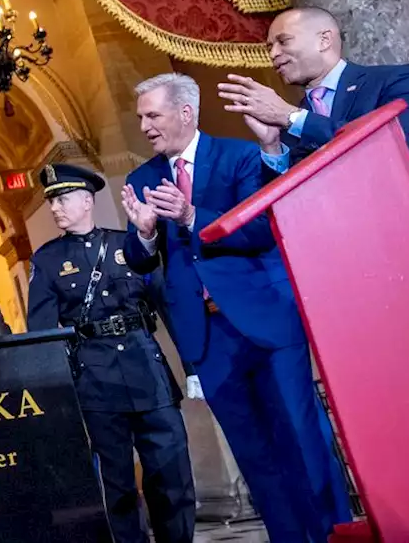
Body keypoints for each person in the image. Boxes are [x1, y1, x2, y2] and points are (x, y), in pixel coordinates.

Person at [120, 73, 345, 541]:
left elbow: (261, 231)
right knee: (255, 455)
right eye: (141, 116)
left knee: (303, 439)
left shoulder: (240, 157)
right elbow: (142, 261)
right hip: (206, 337)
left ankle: (333, 533)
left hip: (265, 321)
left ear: (185, 112)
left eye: (152, 114)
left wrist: (190, 217)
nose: (144, 125)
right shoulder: (142, 178)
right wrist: (142, 232)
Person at [26, 163, 194, 543]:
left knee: (172, 475)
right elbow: (41, 334)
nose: (54, 208)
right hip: (95, 384)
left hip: (149, 377)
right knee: (117, 488)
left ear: (87, 201)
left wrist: (190, 367)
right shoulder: (47, 261)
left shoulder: (127, 245)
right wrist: (57, 395)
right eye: (51, 201)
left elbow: (166, 306)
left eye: (62, 199)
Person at [219, 6, 409, 174]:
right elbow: (284, 208)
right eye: (270, 47)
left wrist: (291, 117)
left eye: (283, 41)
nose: (273, 53)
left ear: (324, 40)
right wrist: (271, 145)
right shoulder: (286, 125)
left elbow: (394, 147)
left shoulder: (397, 80)